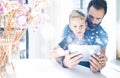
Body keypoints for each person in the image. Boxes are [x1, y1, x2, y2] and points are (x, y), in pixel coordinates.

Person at [50, 0, 108, 73]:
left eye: (98, 18)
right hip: (72, 72)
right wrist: (64, 62)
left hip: (90, 74)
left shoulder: (102, 34)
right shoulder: (71, 28)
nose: (93, 21)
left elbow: (102, 58)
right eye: (91, 16)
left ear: (103, 17)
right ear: (87, 11)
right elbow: (56, 53)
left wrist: (100, 65)